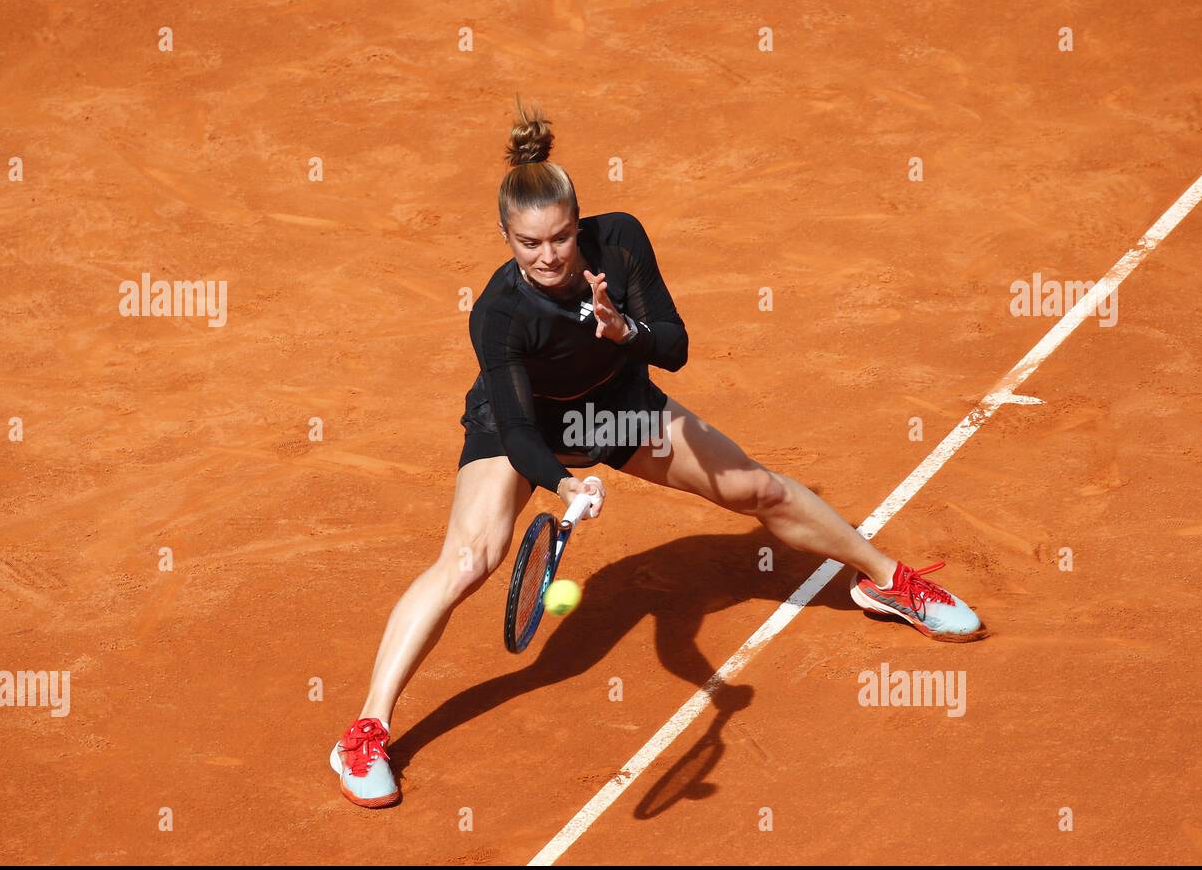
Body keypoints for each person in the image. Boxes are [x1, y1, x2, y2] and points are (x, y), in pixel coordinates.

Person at [329, 97, 984, 808]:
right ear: (505, 236)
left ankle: (888, 582)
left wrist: (624, 334)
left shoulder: (622, 242)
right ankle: (364, 732)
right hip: (527, 424)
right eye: (529, 244)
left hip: (615, 402)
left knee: (756, 489)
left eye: (561, 237)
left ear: (578, 223)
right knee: (469, 560)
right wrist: (563, 484)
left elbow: (674, 347)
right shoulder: (499, 314)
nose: (549, 257)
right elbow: (518, 433)